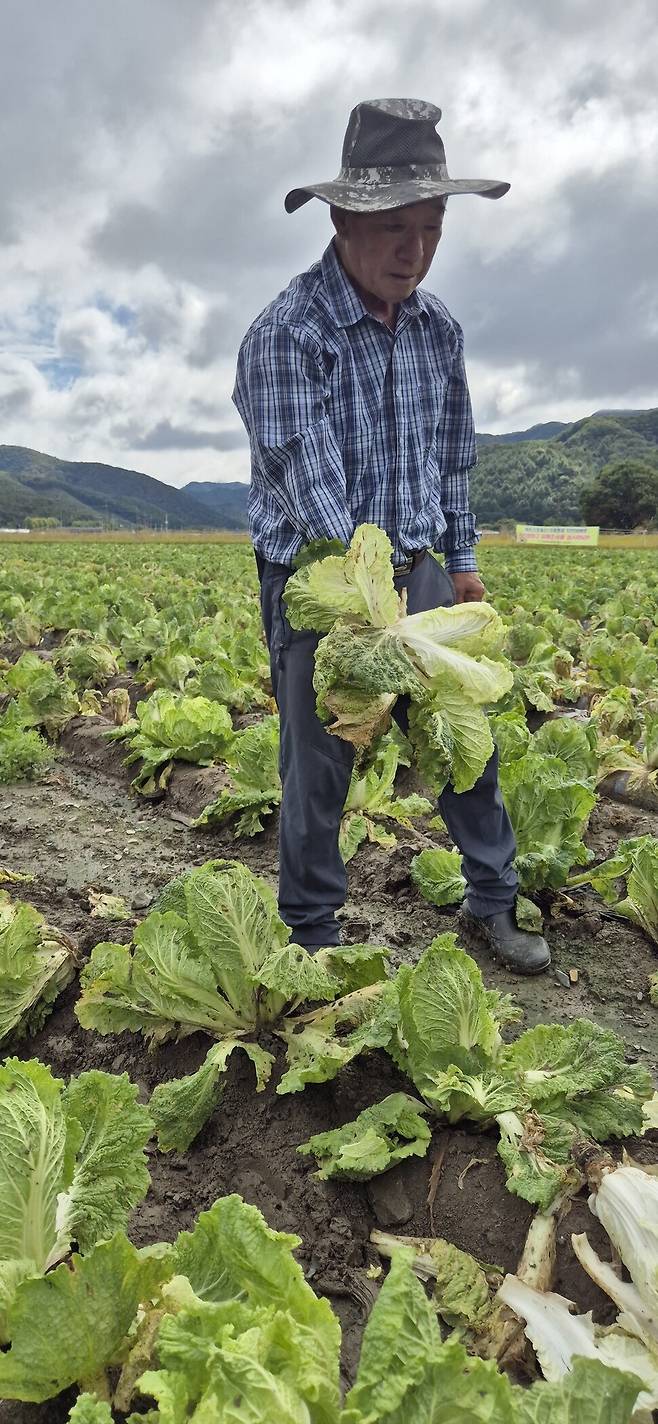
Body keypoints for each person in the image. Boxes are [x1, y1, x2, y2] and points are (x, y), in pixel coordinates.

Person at [233, 97, 550, 975]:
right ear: (341, 221)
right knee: (320, 764)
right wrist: (376, 614)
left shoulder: (438, 330)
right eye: (394, 226)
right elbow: (309, 483)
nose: (414, 247)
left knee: (462, 740)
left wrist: (462, 567)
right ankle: (312, 934)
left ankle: (492, 900)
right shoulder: (286, 336)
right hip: (321, 580)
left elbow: (452, 464)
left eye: (433, 224)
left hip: (419, 572)